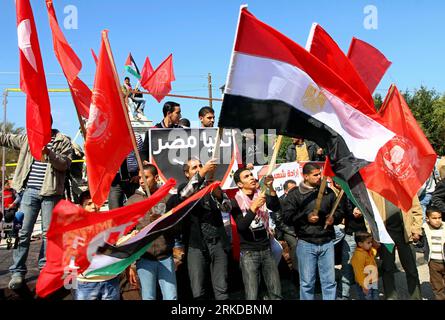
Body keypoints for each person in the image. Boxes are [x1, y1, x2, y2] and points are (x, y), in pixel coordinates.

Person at [0, 125, 72, 289]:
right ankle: (17, 272)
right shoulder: (28, 138)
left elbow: (65, 164)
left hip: (51, 192)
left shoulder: (63, 140)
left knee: (49, 234)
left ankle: (45, 270)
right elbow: (7, 139)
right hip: (29, 192)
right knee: (23, 232)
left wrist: (49, 153)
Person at [167, 158, 231, 300]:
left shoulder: (211, 185)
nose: (199, 169)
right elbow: (184, 195)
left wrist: (218, 195)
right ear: (187, 174)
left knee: (222, 289)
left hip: (217, 243)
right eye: (194, 167)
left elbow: (227, 207)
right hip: (196, 245)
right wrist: (202, 173)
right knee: (198, 290)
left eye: (200, 166)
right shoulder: (184, 187)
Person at [283, 162, 344, 300]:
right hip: (306, 243)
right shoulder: (295, 194)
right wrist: (306, 217)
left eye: (320, 173)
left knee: (329, 282)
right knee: (307, 283)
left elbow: (339, 211)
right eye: (315, 175)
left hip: (327, 241)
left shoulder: (327, 191)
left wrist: (333, 218)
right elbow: (287, 217)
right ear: (305, 176)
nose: (319, 177)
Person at [125, 164, 177, 300]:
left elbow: (177, 227)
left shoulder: (168, 198)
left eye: (146, 177)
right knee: (148, 297)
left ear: (156, 178)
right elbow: (125, 234)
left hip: (165, 257)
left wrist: (162, 221)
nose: (142, 181)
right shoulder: (132, 201)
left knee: (171, 297)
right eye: (140, 178)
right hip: (144, 259)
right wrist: (129, 264)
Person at [230, 168, 282, 300]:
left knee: (275, 292)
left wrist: (270, 187)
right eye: (246, 176)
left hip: (266, 249)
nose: (252, 177)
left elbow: (275, 207)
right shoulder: (235, 201)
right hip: (249, 253)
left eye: (251, 175)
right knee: (252, 295)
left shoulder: (261, 194)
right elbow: (241, 226)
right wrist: (254, 207)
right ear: (240, 184)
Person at [370, 191, 423, 300]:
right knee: (387, 268)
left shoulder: (405, 185)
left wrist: (416, 229)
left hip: (404, 234)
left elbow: (417, 209)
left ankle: (416, 297)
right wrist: (373, 235)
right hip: (385, 236)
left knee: (411, 268)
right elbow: (369, 213)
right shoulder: (374, 188)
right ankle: (391, 296)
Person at [73, 190, 120, 300]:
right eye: (88, 204)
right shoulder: (74, 227)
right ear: (81, 207)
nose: (93, 207)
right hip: (87, 282)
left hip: (110, 279)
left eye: (96, 203)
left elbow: (118, 245)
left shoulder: (109, 222)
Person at [337, 194, 368, 300]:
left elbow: (375, 210)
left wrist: (362, 210)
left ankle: (365, 296)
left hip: (365, 236)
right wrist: (351, 212)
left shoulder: (367, 192)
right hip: (350, 235)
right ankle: (343, 296)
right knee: (347, 268)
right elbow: (340, 211)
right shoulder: (346, 193)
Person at [108, 132, 144, 209]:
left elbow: (142, 157)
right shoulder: (108, 136)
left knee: (137, 208)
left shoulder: (136, 136)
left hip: (133, 178)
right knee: (114, 210)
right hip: (115, 180)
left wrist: (139, 174)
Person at [273, 180, 298, 285]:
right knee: (295, 244)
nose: (295, 191)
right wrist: (294, 233)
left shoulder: (299, 199)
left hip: (298, 229)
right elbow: (279, 222)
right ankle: (296, 275)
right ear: (286, 191)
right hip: (286, 230)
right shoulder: (280, 201)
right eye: (292, 189)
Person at [422, 206, 445, 300]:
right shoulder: (424, 229)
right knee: (437, 284)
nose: (437, 220)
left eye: (439, 218)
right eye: (434, 218)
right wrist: (416, 240)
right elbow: (420, 244)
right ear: (427, 219)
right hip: (433, 262)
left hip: (444, 259)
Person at [350, 231, 380, 300]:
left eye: (371, 242)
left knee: (375, 297)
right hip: (365, 284)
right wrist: (363, 285)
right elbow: (359, 272)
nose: (371, 244)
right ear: (360, 244)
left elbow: (373, 252)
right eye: (368, 243)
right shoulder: (358, 256)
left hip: (373, 281)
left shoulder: (368, 251)